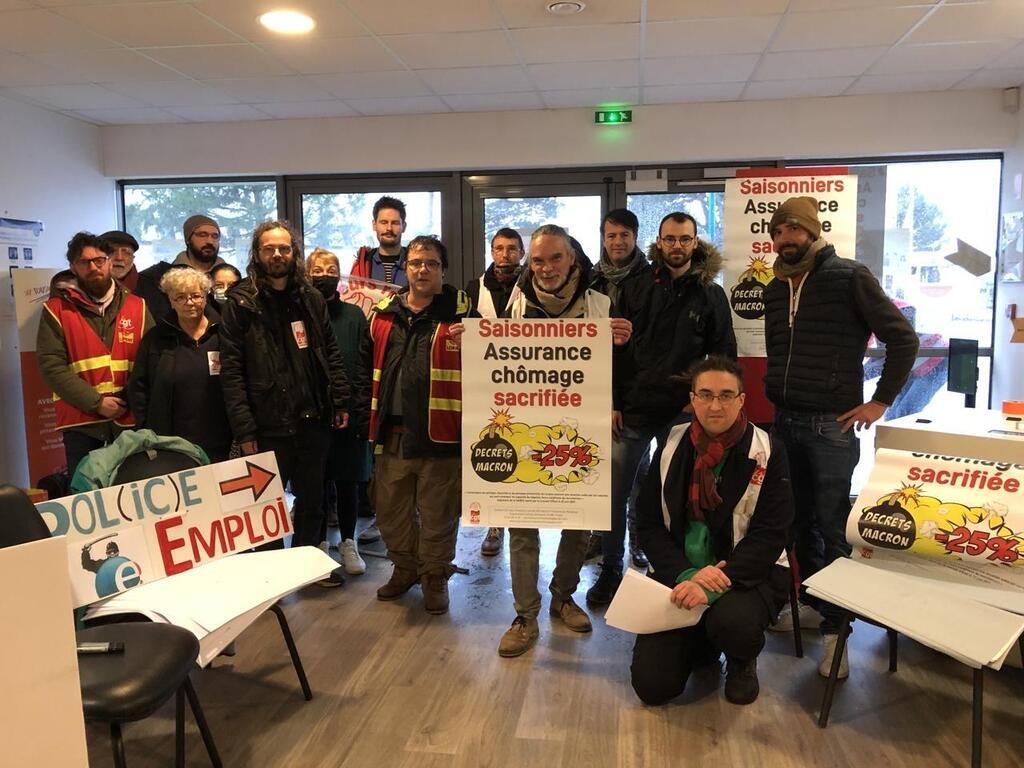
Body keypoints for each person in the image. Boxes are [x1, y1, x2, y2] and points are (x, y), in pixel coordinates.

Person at [762, 196, 918, 677]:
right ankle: (811, 603)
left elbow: (903, 338)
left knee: (831, 528)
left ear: (812, 231)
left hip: (832, 426)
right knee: (795, 522)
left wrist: (881, 401)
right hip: (784, 421)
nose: (785, 238)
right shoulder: (773, 287)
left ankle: (836, 632)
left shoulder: (849, 277)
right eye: (778, 231)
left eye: (793, 229)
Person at [589, 211, 738, 606]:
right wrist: (614, 401)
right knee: (613, 494)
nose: (676, 246)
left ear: (695, 242)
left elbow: (723, 356)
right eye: (669, 239)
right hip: (634, 409)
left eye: (684, 239)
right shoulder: (636, 287)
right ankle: (610, 569)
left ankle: (668, 569)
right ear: (658, 241)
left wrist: (708, 404)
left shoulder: (710, 294)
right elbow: (616, 350)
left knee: (674, 497)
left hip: (683, 413)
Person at [497, 224, 633, 658]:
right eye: (538, 260)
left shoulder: (601, 306)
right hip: (525, 428)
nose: (547, 267)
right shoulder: (512, 307)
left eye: (556, 258)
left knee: (578, 520)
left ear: (572, 258)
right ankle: (524, 613)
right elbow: (496, 365)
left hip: (581, 431)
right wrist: (471, 345)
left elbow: (616, 371)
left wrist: (621, 346)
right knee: (521, 524)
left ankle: (562, 596)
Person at [630, 356, 792, 706]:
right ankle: (702, 642)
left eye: (725, 395)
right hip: (680, 572)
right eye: (705, 395)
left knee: (735, 625)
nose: (715, 405)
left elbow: (771, 534)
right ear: (692, 400)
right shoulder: (672, 443)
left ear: (742, 400)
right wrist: (687, 574)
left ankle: (740, 658)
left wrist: (714, 582)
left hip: (744, 574)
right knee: (652, 687)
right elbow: (649, 523)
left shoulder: (768, 450)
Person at [219, 220, 352, 587]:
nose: (277, 255)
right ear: (257, 254)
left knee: (313, 500)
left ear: (294, 253)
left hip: (313, 418)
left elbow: (330, 352)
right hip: (265, 425)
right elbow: (231, 373)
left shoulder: (310, 298)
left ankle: (307, 569)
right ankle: (271, 577)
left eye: (284, 248)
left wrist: (339, 400)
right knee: (266, 508)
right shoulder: (240, 303)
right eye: (269, 249)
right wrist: (244, 428)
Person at [360, 235, 474, 614]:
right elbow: (366, 368)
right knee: (389, 512)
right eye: (415, 263)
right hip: (391, 433)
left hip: (441, 433)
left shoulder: (464, 314)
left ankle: (434, 575)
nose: (422, 269)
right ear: (405, 268)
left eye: (430, 263)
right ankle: (405, 568)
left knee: (439, 514)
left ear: (443, 269)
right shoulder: (384, 313)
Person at [37, 232, 154, 476]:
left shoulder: (138, 306)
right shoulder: (56, 310)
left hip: (130, 423)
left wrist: (127, 401)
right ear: (73, 267)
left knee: (134, 495)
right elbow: (51, 367)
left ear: (110, 261)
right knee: (86, 499)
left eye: (99, 260)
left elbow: (152, 362)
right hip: (82, 426)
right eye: (84, 262)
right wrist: (97, 403)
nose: (93, 267)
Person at [308, 247, 371, 575]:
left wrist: (357, 408)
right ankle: (318, 544)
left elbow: (363, 366)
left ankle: (348, 540)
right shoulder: (301, 315)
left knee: (348, 480)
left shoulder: (355, 316)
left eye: (331, 268)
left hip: (350, 413)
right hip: (311, 416)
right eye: (317, 269)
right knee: (316, 482)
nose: (324, 274)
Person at [127, 267, 232, 463]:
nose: (189, 303)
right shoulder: (155, 339)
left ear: (206, 296)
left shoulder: (224, 333)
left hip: (222, 439)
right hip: (171, 443)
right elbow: (139, 388)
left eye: (195, 296)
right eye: (180, 297)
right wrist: (146, 429)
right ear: (170, 301)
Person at [465, 227, 526, 557]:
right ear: (491, 252)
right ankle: (493, 524)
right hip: (486, 388)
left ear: (522, 254)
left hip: (526, 386)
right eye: (500, 249)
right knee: (493, 456)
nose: (506, 255)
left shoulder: (533, 286)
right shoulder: (474, 288)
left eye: (513, 249)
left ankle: (522, 519)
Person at [136, 214, 226, 321]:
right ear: (188, 239)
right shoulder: (159, 277)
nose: (210, 241)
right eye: (202, 235)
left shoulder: (230, 278)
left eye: (215, 236)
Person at [350, 196, 409, 287]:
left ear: (404, 226)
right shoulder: (362, 265)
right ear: (374, 225)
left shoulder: (415, 264)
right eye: (384, 222)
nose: (389, 228)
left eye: (395, 223)